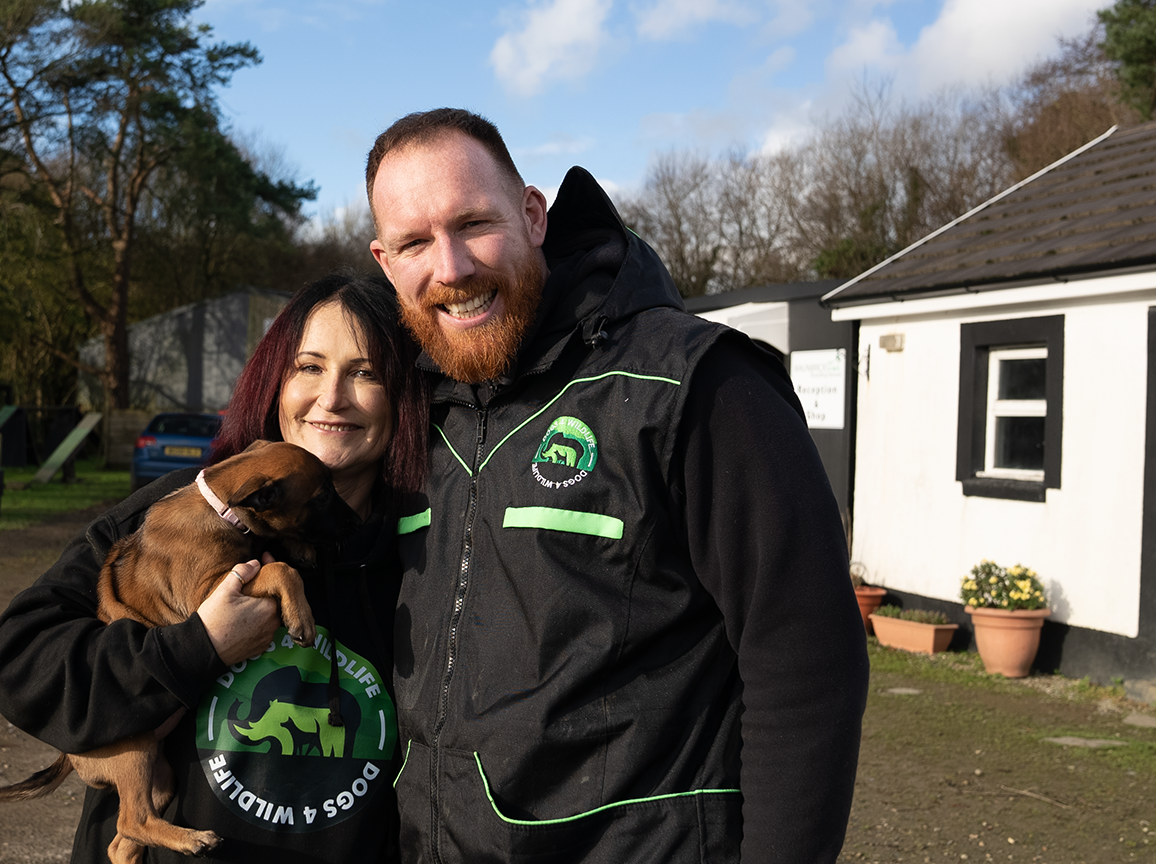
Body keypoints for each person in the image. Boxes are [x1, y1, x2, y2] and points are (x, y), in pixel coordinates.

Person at [364, 108, 869, 864]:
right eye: (413, 243)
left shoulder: (693, 384)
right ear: (384, 262)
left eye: (472, 224)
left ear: (534, 215)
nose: (451, 268)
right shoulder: (403, 413)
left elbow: (806, 662)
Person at [0, 273, 427, 863]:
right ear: (275, 381)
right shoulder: (177, 513)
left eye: (365, 372)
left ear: (404, 394)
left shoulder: (426, 548)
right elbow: (16, 659)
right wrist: (194, 647)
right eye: (309, 367)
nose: (332, 397)